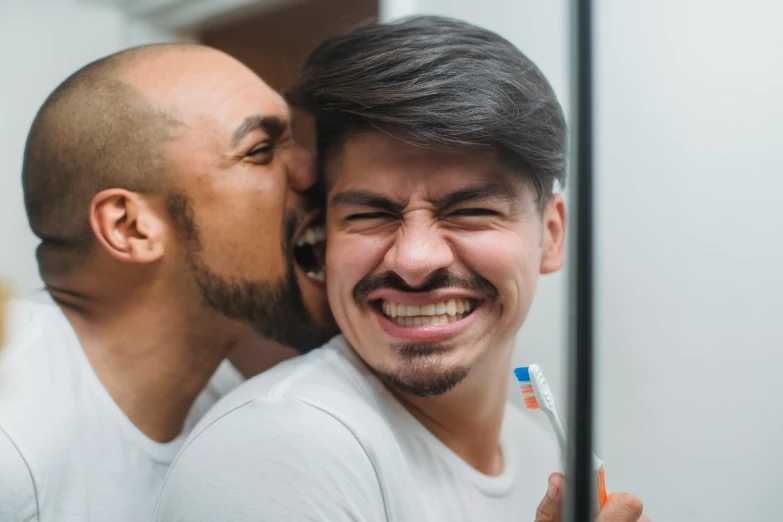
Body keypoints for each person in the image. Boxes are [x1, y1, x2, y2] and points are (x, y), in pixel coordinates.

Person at [155, 16, 648, 522]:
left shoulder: (548, 456)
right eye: (371, 215)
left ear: (553, 236)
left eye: (470, 212)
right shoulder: (280, 450)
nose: (414, 261)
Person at [0, 43, 335, 522]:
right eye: (260, 151)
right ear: (131, 228)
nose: (312, 170)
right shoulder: (12, 444)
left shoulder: (220, 404)